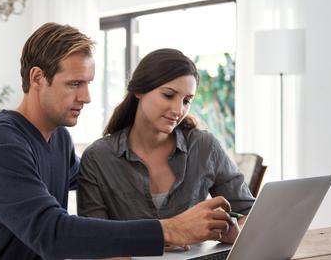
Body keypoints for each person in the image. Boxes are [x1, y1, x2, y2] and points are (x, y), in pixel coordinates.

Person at [0, 24, 235, 260]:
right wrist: (168, 230)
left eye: (88, 83)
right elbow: (53, 234)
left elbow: (102, 174)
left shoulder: (59, 138)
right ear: (37, 77)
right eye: (75, 84)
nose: (86, 97)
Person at [77, 48, 255, 245]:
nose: (179, 110)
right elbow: (93, 240)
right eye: (168, 95)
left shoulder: (204, 146)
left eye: (187, 100)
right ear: (139, 90)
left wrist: (235, 233)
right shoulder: (98, 158)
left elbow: (251, 215)